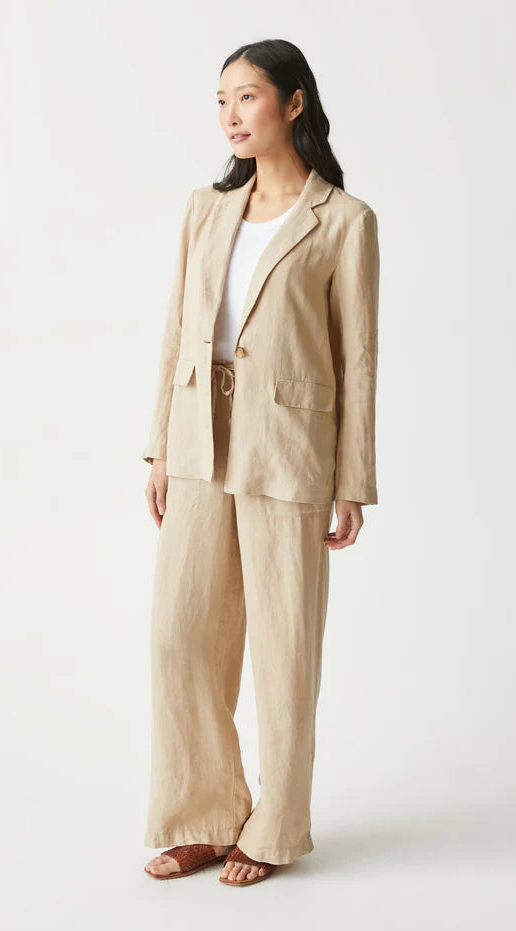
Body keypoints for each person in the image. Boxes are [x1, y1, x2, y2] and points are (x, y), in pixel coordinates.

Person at [141, 39, 380, 887]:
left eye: (246, 97)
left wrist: (353, 482)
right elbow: (178, 328)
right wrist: (159, 446)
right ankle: (205, 814)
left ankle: (275, 827)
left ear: (294, 102)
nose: (231, 115)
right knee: (180, 636)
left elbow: (357, 359)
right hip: (199, 441)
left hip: (290, 449)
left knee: (284, 646)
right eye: (221, 101)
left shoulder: (344, 221)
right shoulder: (205, 209)